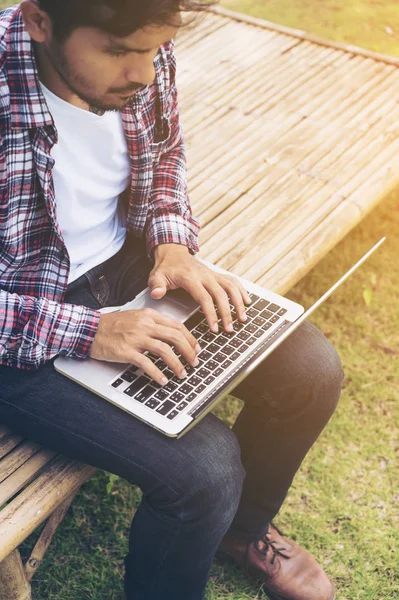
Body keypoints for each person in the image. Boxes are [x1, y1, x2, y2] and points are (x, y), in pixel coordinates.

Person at [0, 1, 344, 599]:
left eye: (153, 50)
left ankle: (241, 533)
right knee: (205, 472)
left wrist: (172, 243)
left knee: (311, 372)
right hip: (23, 326)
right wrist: (88, 331)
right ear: (39, 22)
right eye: (118, 51)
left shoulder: (144, 55)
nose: (142, 72)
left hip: (126, 264)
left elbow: (163, 162)